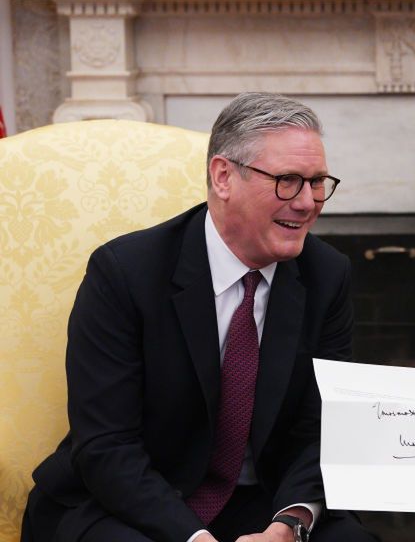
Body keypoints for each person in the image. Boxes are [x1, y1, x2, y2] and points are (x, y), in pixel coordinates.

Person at [21, 93, 378, 542]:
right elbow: (106, 445)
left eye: (317, 182)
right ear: (223, 176)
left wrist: (289, 524)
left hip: (263, 503)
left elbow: (323, 428)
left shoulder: (327, 276)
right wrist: (192, 538)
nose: (308, 202)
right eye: (288, 181)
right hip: (128, 501)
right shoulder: (125, 273)